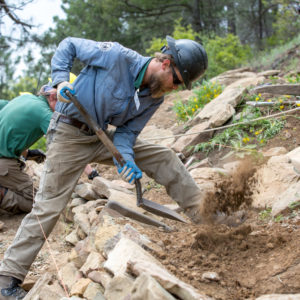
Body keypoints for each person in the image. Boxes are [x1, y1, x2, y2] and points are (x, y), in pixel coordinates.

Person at [0, 35, 208, 299]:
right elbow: (69, 45)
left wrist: (127, 159)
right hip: (68, 133)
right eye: (177, 80)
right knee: (49, 205)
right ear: (165, 63)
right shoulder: (117, 57)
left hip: (98, 135)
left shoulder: (154, 97)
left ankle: (205, 216)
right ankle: (7, 279)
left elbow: (126, 133)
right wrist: (61, 79)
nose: (176, 88)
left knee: (163, 156)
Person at [0, 92, 99, 216]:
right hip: (3, 165)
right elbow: (68, 146)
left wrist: (27, 153)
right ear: (53, 97)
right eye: (65, 105)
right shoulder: (45, 114)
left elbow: (12, 128)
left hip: (4, 160)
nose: (66, 111)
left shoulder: (25, 98)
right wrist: (91, 173)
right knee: (41, 204)